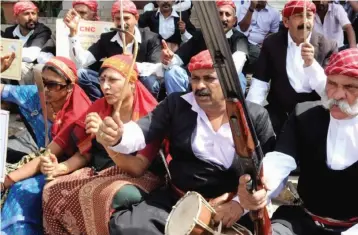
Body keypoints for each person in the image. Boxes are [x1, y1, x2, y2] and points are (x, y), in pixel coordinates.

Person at [97, 50, 276, 235]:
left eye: (209, 78)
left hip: (229, 206)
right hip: (178, 200)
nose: (199, 86)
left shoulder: (254, 116)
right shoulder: (176, 104)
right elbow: (140, 133)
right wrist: (118, 136)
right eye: (195, 78)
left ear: (228, 80)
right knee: (127, 227)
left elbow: (269, 170)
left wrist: (240, 205)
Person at [238, 48, 358, 235]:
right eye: (332, 84)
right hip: (302, 220)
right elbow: (280, 160)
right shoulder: (305, 115)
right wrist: (261, 187)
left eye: (350, 87)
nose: (337, 95)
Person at [42, 55, 163, 235]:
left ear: (131, 82)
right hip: (100, 170)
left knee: (99, 195)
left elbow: (137, 168)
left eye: (113, 80)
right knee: (51, 189)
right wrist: (60, 167)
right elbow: (85, 153)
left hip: (139, 175)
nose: (105, 87)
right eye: (102, 80)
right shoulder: (99, 107)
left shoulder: (150, 114)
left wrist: (106, 141)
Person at [0, 57, 91, 235]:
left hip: (68, 166)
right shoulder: (36, 96)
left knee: (22, 190)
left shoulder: (78, 112)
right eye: (43, 82)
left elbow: (59, 154)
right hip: (41, 159)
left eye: (53, 84)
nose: (46, 89)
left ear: (69, 86)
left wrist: (7, 181)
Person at [246, 0, 337, 135]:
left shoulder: (328, 46)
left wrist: (312, 65)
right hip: (279, 112)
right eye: (298, 16)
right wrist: (250, 116)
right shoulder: (272, 43)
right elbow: (260, 82)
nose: (305, 22)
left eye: (309, 16)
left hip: (314, 113)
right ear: (286, 21)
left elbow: (328, 92)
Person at [65, 0, 162, 101]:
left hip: (138, 83)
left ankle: (146, 112)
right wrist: (73, 33)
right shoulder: (107, 39)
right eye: (118, 19)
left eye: (126, 18)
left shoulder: (150, 38)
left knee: (151, 82)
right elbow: (81, 62)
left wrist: (131, 65)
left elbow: (158, 68)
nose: (122, 23)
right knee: (81, 74)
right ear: (113, 20)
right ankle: (103, 106)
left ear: (136, 18)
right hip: (112, 83)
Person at [162, 0, 249, 94]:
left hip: (223, 83)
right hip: (197, 81)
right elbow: (179, 58)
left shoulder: (239, 39)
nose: (224, 19)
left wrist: (213, 77)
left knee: (238, 78)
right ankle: (179, 106)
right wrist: (169, 59)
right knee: (172, 72)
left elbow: (237, 63)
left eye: (227, 14)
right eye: (220, 14)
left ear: (234, 20)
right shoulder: (200, 35)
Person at [2, 1, 51, 85]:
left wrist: (6, 52)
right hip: (12, 68)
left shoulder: (42, 30)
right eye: (26, 14)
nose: (31, 17)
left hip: (33, 73)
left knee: (20, 67)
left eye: (34, 13)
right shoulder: (10, 31)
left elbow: (31, 56)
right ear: (16, 17)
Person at [36, 0, 100, 65]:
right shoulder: (61, 31)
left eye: (82, 13)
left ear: (93, 16)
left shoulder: (101, 33)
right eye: (74, 13)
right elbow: (43, 54)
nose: (77, 16)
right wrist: (56, 63)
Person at [237, 0, 280, 73]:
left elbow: (273, 32)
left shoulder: (274, 12)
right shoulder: (244, 7)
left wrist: (266, 42)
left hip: (259, 45)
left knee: (258, 57)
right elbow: (243, 28)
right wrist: (251, 8)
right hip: (243, 40)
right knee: (241, 56)